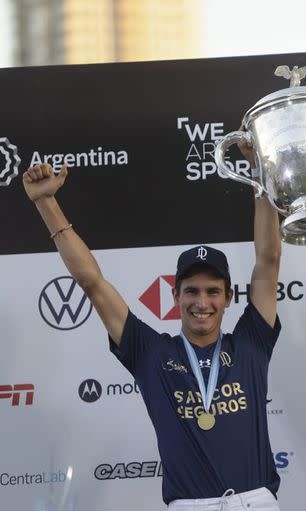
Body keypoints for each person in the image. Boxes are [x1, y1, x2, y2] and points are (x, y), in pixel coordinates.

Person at [23, 150, 283, 510]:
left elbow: (268, 260)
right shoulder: (152, 352)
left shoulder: (252, 342)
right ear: (175, 295)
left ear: (228, 298)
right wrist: (46, 202)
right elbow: (92, 282)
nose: (201, 302)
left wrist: (260, 171)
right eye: (191, 291)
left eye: (212, 292)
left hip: (257, 503)